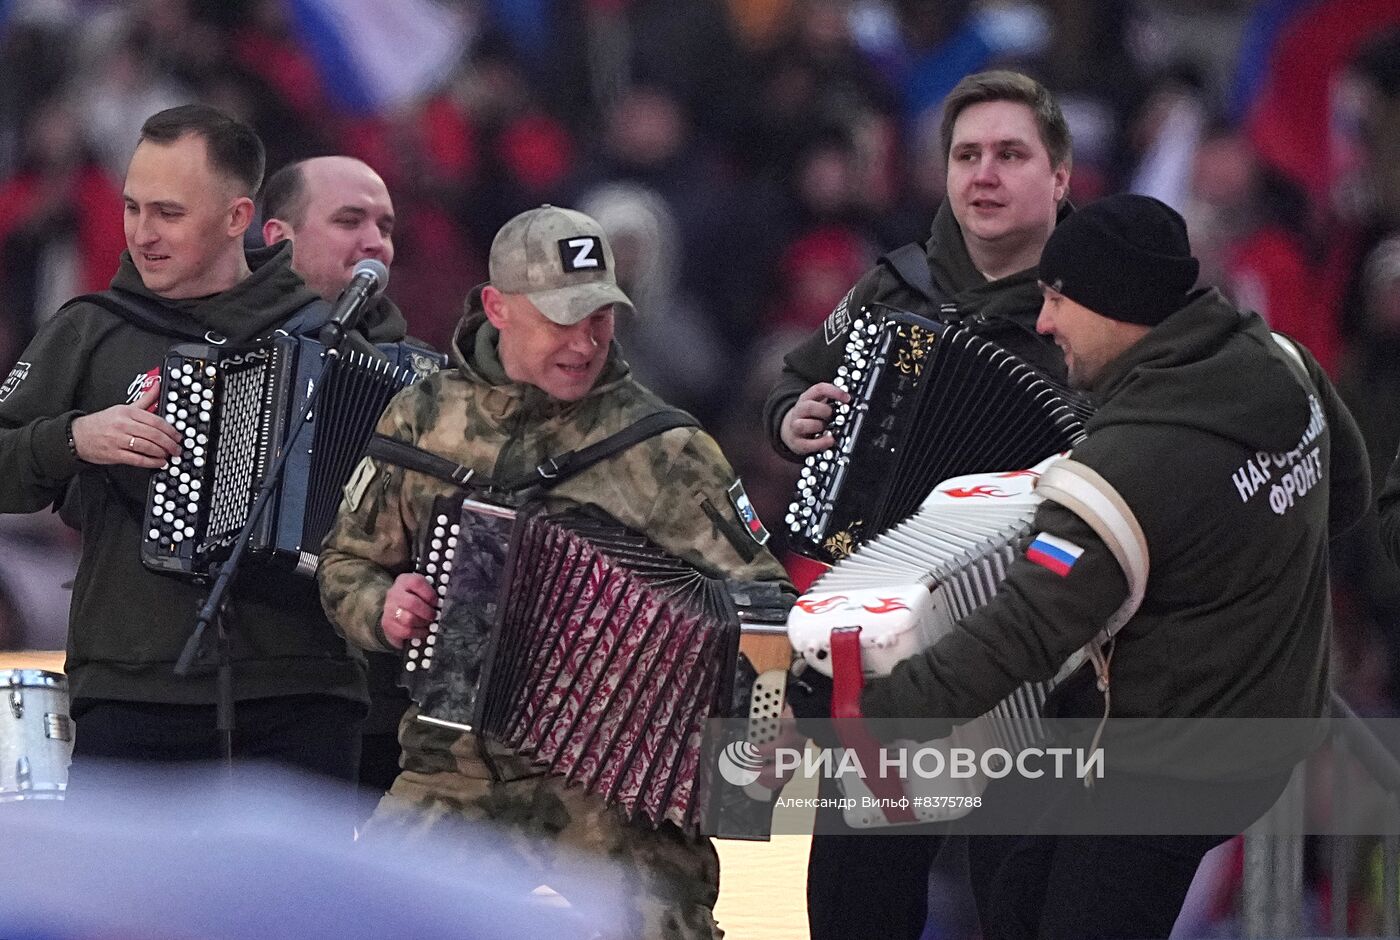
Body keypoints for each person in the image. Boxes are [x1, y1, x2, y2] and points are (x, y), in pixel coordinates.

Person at [845, 194, 1370, 939]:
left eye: (1059, 299)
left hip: (1168, 773)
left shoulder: (1124, 467)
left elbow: (1017, 633)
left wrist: (870, 718)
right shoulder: (1279, 361)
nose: (1045, 321)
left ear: (1121, 307)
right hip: (1277, 727)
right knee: (1019, 889)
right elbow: (1344, 492)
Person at [318, 204, 791, 939]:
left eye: (600, 318)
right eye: (561, 319)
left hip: (614, 786)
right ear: (498, 308)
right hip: (455, 767)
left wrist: (760, 730)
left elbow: (762, 598)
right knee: (356, 920)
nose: (585, 342)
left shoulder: (665, 445)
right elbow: (346, 563)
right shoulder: (421, 416)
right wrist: (383, 605)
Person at [0, 105, 406, 787]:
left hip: (303, 688)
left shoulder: (329, 337)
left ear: (237, 219)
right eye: (132, 208)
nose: (141, 233)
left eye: (168, 212)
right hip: (134, 686)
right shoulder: (90, 329)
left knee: (289, 900)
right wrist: (73, 438)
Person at [763, 68, 1074, 939]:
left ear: (1059, 175)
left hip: (1031, 657)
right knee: (858, 898)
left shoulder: (1101, 299)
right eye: (967, 155)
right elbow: (794, 380)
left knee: (1021, 904)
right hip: (878, 648)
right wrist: (796, 419)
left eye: (1011, 154)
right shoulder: (892, 286)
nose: (984, 175)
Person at [261, 155, 418, 804]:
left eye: (384, 225)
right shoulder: (218, 344)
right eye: (350, 220)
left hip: (363, 698)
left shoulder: (422, 381)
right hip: (223, 682)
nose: (374, 241)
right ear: (278, 238)